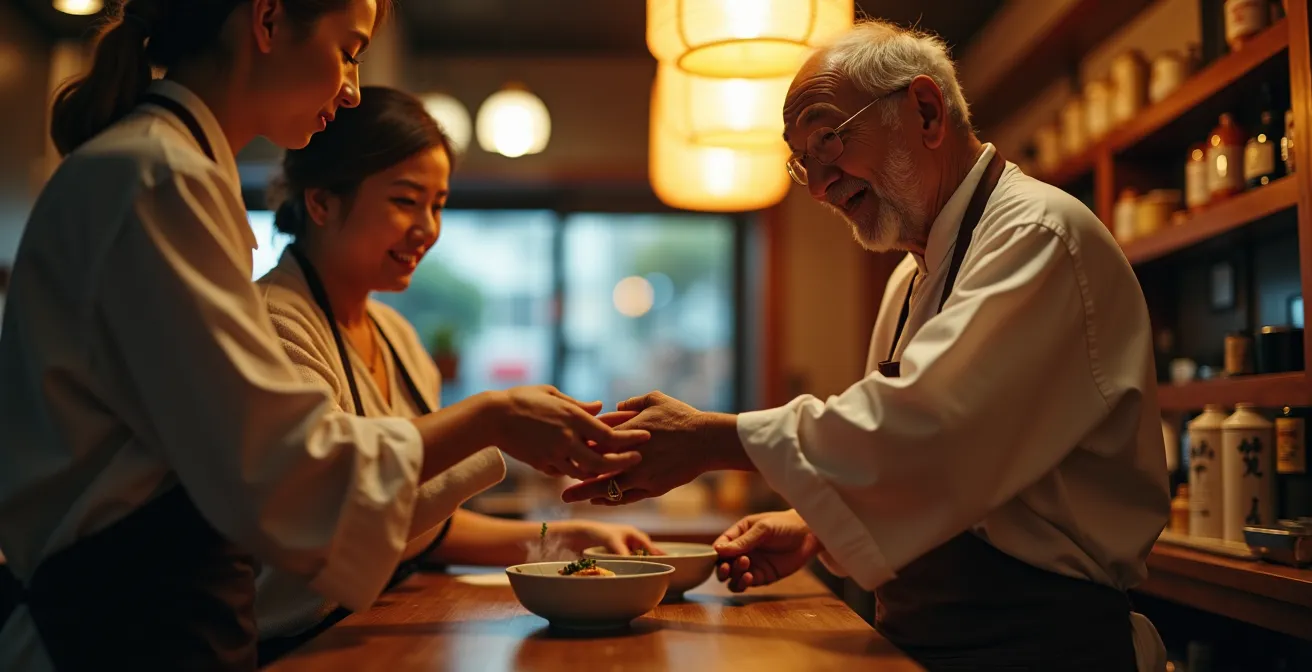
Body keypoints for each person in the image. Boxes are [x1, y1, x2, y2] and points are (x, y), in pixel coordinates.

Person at [0, 1, 645, 669]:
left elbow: (307, 477)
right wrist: (494, 417)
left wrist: (545, 523)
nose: (353, 87)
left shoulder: (171, 169)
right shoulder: (158, 176)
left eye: (439, 204)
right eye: (350, 50)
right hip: (111, 629)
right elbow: (284, 464)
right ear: (268, 20)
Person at [565, 20, 1170, 672]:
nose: (820, 185)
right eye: (802, 163)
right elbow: (929, 473)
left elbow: (932, 428)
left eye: (829, 139)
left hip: (1039, 644)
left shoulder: (1040, 235)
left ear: (926, 111)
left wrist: (712, 439)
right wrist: (816, 526)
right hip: (926, 638)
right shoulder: (911, 279)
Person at [252, 85, 657, 659]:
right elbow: (322, 507)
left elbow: (412, 529)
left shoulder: (398, 338)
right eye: (405, 200)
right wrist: (492, 416)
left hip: (369, 631)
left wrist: (566, 538)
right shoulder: (271, 324)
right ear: (321, 203)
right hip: (289, 647)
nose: (428, 227)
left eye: (438, 204)